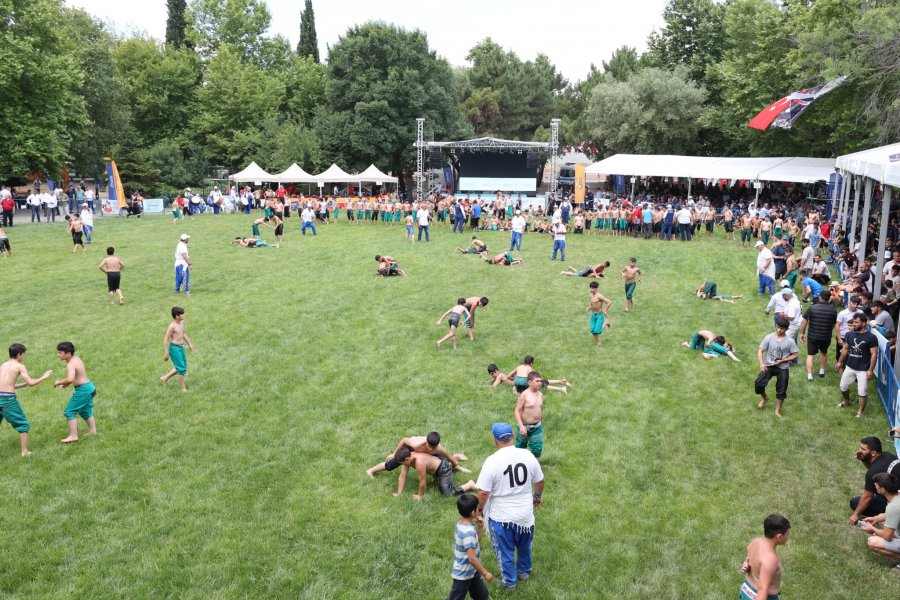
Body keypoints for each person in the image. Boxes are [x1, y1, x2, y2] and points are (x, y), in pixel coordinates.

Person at [475, 423, 544, 591]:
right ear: (513, 436)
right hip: (526, 515)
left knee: (504, 551)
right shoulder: (527, 455)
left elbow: (483, 492)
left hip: (502, 518)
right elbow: (540, 480)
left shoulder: (492, 461)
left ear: (495, 440)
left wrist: (479, 509)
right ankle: (523, 572)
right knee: (524, 545)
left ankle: (509, 583)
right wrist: (537, 497)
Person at [0, 343, 52, 456]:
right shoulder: (19, 366)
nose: (24, 356)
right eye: (24, 354)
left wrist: (22, 385)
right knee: (23, 424)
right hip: (7, 400)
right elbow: (31, 383)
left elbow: (5, 384)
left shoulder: (3, 365)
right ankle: (25, 451)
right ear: (19, 355)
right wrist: (44, 377)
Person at [446, 494, 494, 600]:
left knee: (482, 595)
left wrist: (480, 527)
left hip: (472, 571)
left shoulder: (460, 523)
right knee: (456, 597)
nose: (479, 509)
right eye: (477, 507)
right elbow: (471, 558)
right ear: (473, 512)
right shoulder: (469, 532)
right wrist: (485, 573)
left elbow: (475, 542)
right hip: (463, 573)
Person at [366, 432, 470, 478]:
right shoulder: (416, 443)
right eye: (429, 446)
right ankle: (371, 470)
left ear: (437, 445)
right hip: (410, 449)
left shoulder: (439, 448)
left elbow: (449, 457)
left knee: (442, 465)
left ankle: (458, 466)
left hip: (430, 455)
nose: (430, 449)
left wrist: (458, 465)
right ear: (426, 442)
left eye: (433, 448)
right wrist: (394, 454)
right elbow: (404, 440)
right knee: (393, 462)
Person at [53, 341, 97, 444]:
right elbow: (77, 376)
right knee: (85, 410)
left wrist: (58, 382)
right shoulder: (76, 359)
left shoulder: (70, 364)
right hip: (89, 387)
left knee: (69, 411)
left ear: (68, 354)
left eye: (60, 353)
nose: (58, 355)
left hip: (83, 390)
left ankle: (73, 436)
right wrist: (67, 384)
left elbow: (70, 378)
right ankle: (92, 431)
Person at [739, 514, 791, 600]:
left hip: (745, 591)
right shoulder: (770, 559)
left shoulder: (755, 542)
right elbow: (762, 588)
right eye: (787, 534)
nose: (787, 537)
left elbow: (749, 560)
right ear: (779, 537)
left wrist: (746, 564)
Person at [392, 447, 476, 500]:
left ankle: (469, 485)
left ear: (406, 459)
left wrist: (419, 496)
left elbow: (423, 483)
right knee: (440, 475)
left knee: (447, 493)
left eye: (402, 463)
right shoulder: (409, 457)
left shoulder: (419, 462)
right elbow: (402, 476)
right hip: (438, 468)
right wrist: (399, 493)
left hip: (443, 470)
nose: (403, 465)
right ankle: (456, 459)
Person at [836, 312, 878, 417]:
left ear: (864, 323)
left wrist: (870, 370)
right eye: (853, 321)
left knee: (862, 391)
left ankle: (860, 412)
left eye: (856, 322)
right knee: (843, 387)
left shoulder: (871, 337)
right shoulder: (849, 334)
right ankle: (846, 401)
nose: (853, 324)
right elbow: (845, 349)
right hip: (850, 366)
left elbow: (874, 355)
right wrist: (840, 362)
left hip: (863, 369)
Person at [755, 318, 799, 417]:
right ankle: (765, 398)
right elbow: (760, 350)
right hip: (769, 365)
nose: (779, 330)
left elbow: (795, 354)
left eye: (782, 328)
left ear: (787, 329)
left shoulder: (790, 341)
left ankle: (777, 411)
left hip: (782, 367)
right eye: (778, 327)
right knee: (758, 384)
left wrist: (783, 360)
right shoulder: (769, 337)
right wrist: (762, 364)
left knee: (782, 389)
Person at [849, 437, 898, 524]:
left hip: (897, 503)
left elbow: (868, 497)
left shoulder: (874, 471)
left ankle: (888, 515)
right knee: (878, 490)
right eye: (860, 447)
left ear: (873, 453)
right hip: (896, 492)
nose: (859, 451)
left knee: (855, 502)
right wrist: (863, 459)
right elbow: (873, 470)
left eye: (863, 449)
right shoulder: (887, 455)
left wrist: (856, 514)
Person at [858, 473, 900, 567]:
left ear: (883, 489)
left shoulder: (893, 507)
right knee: (881, 519)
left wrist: (873, 529)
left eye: (876, 485)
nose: (875, 487)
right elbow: (891, 514)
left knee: (872, 542)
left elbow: (887, 536)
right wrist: (875, 518)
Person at [799, 290, 837, 381]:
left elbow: (804, 321)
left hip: (813, 336)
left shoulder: (812, 308)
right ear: (829, 299)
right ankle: (822, 371)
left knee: (810, 354)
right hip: (826, 336)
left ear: (820, 297)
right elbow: (834, 323)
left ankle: (809, 376)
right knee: (823, 352)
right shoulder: (833, 310)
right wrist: (829, 330)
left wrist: (803, 333)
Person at [160, 306, 194, 392]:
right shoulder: (172, 326)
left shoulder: (182, 322)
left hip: (181, 347)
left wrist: (189, 343)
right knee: (181, 368)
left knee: (182, 366)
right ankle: (182, 388)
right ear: (177, 316)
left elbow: (183, 333)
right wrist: (166, 353)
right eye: (182, 314)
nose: (184, 315)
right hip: (174, 348)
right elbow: (166, 339)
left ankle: (165, 378)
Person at [514, 372, 547, 459]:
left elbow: (541, 409)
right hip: (524, 427)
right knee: (520, 449)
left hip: (537, 427)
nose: (540, 383)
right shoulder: (524, 395)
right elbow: (517, 411)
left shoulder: (540, 395)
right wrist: (521, 426)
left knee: (537, 449)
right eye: (537, 381)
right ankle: (520, 467)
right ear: (529, 382)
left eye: (540, 381)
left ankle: (535, 468)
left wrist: (540, 421)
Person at [486, 364, 569, 394]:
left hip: (520, 384)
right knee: (542, 382)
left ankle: (561, 388)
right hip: (520, 382)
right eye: (491, 374)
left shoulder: (499, 376)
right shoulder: (499, 375)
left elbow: (494, 386)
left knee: (540, 385)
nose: (493, 375)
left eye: (493, 373)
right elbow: (493, 381)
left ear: (497, 371)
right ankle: (561, 381)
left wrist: (486, 387)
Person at [586, 281, 612, 347]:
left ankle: (605, 323)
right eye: (591, 288)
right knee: (593, 330)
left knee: (597, 331)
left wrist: (605, 310)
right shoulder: (590, 295)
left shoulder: (599, 296)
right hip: (593, 315)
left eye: (593, 288)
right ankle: (599, 343)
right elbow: (592, 303)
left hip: (599, 315)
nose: (591, 289)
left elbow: (609, 302)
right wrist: (589, 308)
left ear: (596, 288)